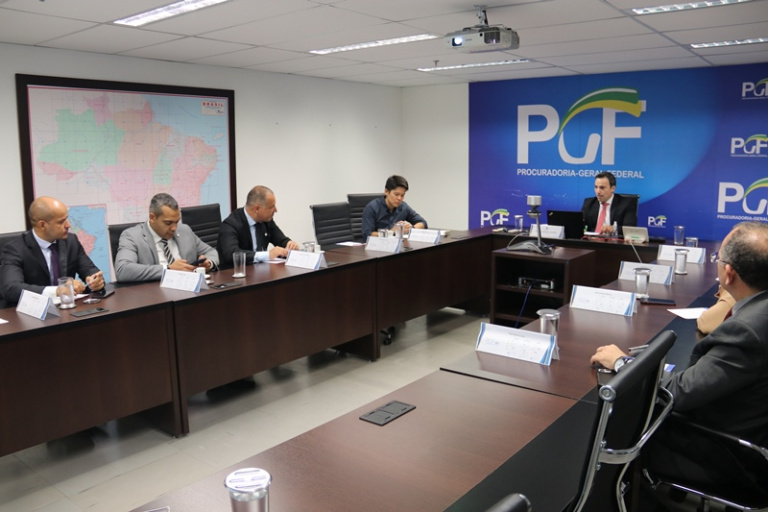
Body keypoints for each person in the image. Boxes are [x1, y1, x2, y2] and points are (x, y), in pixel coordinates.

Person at [590, 221, 768, 502]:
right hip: (748, 427)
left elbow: (678, 393)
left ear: (729, 273)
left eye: (718, 258)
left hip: (734, 457)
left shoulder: (747, 330)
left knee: (617, 425)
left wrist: (623, 363)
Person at [0, 196, 105, 306]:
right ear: (42, 225)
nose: (68, 225)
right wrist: (56, 291)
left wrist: (95, 280)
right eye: (61, 222)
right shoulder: (15, 249)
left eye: (66, 219)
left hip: (69, 309)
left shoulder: (71, 241)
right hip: (32, 311)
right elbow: (11, 289)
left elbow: (89, 269)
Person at [115, 193, 219, 282]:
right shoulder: (132, 236)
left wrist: (208, 263)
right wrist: (168, 269)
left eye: (176, 222)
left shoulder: (184, 230)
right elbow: (122, 270)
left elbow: (211, 252)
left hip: (189, 291)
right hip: (155, 294)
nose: (174, 228)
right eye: (168, 223)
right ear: (152, 218)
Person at [217, 185, 300, 267]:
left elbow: (281, 240)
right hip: (235, 272)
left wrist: (289, 244)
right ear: (257, 209)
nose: (276, 210)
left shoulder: (266, 221)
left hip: (260, 271)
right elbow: (231, 253)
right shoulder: (230, 225)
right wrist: (267, 255)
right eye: (271, 207)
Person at [361, 175, 427, 239]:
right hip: (377, 245)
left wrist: (411, 228)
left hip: (397, 244)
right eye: (396, 194)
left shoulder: (403, 207)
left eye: (402, 195)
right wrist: (392, 232)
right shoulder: (372, 207)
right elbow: (367, 235)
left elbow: (423, 223)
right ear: (386, 191)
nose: (399, 198)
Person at [581, 171, 637, 236]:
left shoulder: (626, 204)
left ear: (612, 188)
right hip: (591, 240)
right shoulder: (589, 203)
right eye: (596, 187)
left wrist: (613, 229)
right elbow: (580, 225)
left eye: (602, 188)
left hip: (613, 241)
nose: (598, 191)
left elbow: (630, 228)